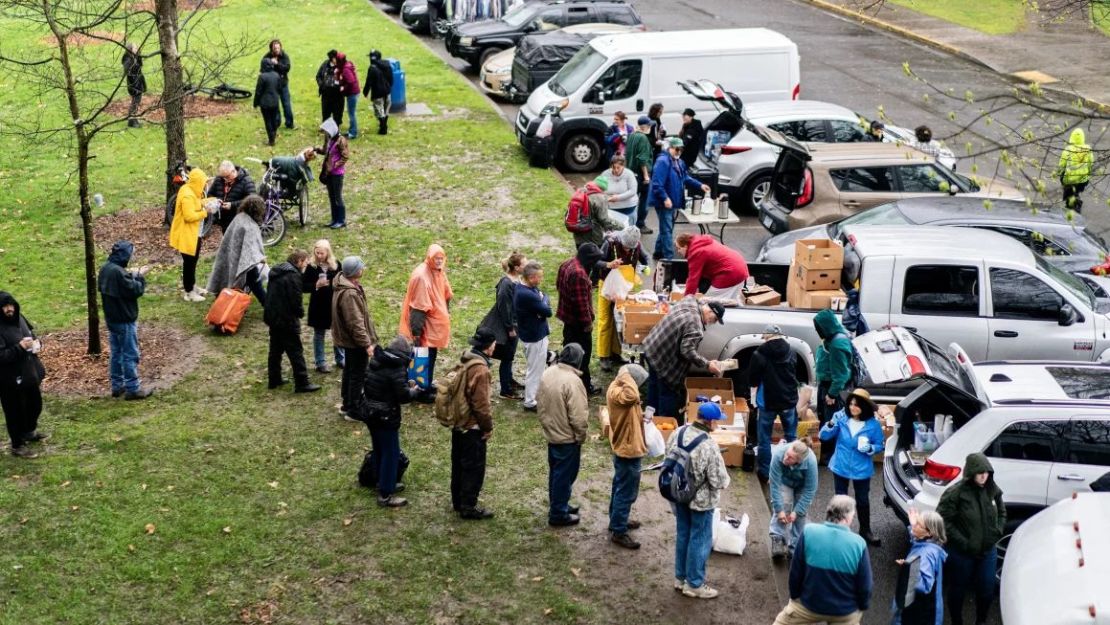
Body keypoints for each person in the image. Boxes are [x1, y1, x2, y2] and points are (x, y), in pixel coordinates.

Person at [773, 495, 872, 625]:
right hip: (844, 612)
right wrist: (861, 606)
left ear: (828, 512)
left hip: (809, 605)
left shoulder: (809, 532)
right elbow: (865, 586)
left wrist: (795, 597)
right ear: (848, 518)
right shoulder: (859, 544)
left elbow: (796, 571)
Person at [668, 402, 731, 599]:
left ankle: (680, 578)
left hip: (679, 493)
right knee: (700, 538)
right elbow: (718, 480)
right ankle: (694, 583)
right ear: (710, 421)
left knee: (683, 534)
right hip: (701, 501)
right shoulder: (709, 445)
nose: (718, 425)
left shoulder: (677, 432)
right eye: (717, 421)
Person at [936, 453, 1005, 625]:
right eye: (980, 472)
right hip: (962, 553)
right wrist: (963, 542)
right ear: (971, 472)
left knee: (987, 590)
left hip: (988, 551)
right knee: (957, 590)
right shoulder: (955, 493)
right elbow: (943, 520)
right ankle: (956, 621)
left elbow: (1002, 512)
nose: (984, 476)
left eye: (987, 472)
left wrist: (998, 530)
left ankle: (981, 621)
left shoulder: (992, 489)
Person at [358, 335, 421, 508]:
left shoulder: (376, 361)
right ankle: (386, 494)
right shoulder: (397, 368)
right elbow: (403, 396)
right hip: (385, 417)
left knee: (379, 449)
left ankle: (381, 481)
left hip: (370, 413)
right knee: (391, 454)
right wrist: (414, 390)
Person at [641, 297, 724, 424]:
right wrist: (707, 364)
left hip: (651, 348)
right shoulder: (695, 326)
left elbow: (694, 296)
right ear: (709, 312)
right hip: (664, 362)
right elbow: (687, 351)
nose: (711, 323)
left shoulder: (689, 301)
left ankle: (649, 420)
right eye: (714, 320)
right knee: (667, 394)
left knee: (654, 387)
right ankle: (663, 427)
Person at [819, 388, 885, 546]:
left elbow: (879, 444)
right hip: (840, 464)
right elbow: (823, 436)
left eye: (857, 405)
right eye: (851, 404)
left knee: (862, 500)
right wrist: (832, 422)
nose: (852, 408)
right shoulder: (841, 419)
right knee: (840, 499)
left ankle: (865, 530)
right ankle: (837, 529)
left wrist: (871, 448)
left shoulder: (873, 425)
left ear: (865, 407)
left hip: (861, 468)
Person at [537, 344, 589, 527]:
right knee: (564, 475)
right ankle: (558, 513)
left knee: (556, 472)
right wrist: (580, 436)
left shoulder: (549, 372)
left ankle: (559, 504)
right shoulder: (573, 381)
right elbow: (579, 416)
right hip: (567, 437)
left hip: (551, 431)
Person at [98, 241, 152, 400]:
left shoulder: (106, 269)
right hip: (125, 320)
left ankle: (117, 385)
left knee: (116, 353)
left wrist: (131, 273)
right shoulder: (118, 273)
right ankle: (133, 388)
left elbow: (121, 282)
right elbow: (135, 289)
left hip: (111, 319)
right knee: (130, 354)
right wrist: (140, 276)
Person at [452, 328, 497, 520]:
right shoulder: (481, 370)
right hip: (472, 427)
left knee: (458, 464)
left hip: (458, 422)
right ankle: (468, 506)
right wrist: (487, 428)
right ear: (488, 347)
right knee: (473, 467)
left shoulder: (466, 359)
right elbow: (481, 405)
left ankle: (457, 500)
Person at [263, 250, 320, 393]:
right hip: (286, 319)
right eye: (305, 262)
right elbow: (295, 299)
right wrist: (300, 313)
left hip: (273, 317)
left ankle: (274, 379)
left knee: (275, 349)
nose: (306, 265)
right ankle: (302, 382)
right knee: (295, 350)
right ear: (299, 261)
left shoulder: (278, 270)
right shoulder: (293, 276)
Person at [747, 324, 799, 481]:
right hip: (788, 401)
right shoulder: (792, 351)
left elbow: (753, 380)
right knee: (791, 436)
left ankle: (765, 473)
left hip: (767, 402)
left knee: (764, 439)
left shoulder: (759, 353)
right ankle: (793, 471)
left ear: (767, 337)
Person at [606, 363, 648, 549]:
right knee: (626, 490)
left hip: (626, 446)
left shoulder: (619, 389)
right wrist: (626, 374)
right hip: (628, 449)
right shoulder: (621, 391)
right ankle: (619, 531)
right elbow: (632, 395)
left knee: (620, 486)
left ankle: (617, 520)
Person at [0, 292, 48, 458]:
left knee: (35, 404)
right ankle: (17, 444)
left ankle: (28, 431)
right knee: (14, 411)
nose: (9, 309)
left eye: (11, 305)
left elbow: (32, 335)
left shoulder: (20, 318)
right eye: (5, 306)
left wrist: (36, 344)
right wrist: (19, 347)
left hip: (28, 372)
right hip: (8, 379)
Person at [400, 244, 453, 387]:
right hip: (424, 328)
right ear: (430, 257)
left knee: (429, 356)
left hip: (433, 326)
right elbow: (418, 309)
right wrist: (416, 334)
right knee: (422, 357)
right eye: (436, 258)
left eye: (441, 258)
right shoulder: (422, 277)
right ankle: (421, 389)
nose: (439, 261)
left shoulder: (438, 271)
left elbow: (446, 294)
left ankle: (425, 384)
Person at [596, 226, 649, 372]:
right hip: (607, 285)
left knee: (620, 319)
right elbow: (596, 262)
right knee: (605, 319)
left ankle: (615, 353)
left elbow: (646, 258)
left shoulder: (636, 245)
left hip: (624, 286)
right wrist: (608, 264)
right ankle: (604, 356)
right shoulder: (610, 243)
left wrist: (646, 267)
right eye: (625, 247)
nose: (627, 250)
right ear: (621, 240)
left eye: (630, 248)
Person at [650, 137, 711, 260]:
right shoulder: (663, 161)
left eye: (681, 149)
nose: (679, 152)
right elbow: (657, 184)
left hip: (672, 201)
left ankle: (658, 252)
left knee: (666, 227)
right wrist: (665, 198)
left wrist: (700, 185)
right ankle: (669, 258)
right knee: (667, 229)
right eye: (677, 149)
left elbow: (686, 178)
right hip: (664, 202)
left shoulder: (679, 162)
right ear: (670, 148)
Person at [556, 243, 605, 395]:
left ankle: (564, 378)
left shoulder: (567, 264)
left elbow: (558, 284)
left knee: (569, 348)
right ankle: (584, 385)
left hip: (567, 317)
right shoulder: (580, 275)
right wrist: (588, 323)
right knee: (582, 355)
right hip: (578, 323)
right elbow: (581, 303)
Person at [332, 256, 378, 417]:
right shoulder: (350, 294)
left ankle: (347, 403)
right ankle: (354, 409)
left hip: (349, 341)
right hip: (355, 342)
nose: (363, 269)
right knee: (357, 375)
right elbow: (355, 323)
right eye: (361, 267)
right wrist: (367, 344)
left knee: (350, 371)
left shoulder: (345, 284)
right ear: (355, 271)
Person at [478, 252, 525, 399]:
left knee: (510, 355)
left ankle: (509, 380)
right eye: (524, 264)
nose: (526, 266)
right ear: (517, 268)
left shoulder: (515, 280)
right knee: (507, 355)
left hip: (515, 323)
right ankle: (506, 389)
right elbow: (504, 307)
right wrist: (510, 328)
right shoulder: (506, 284)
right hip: (506, 326)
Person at [206, 194, 267, 306]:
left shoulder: (240, 217)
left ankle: (227, 297)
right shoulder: (249, 226)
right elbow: (250, 250)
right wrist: (258, 258)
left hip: (232, 255)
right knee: (254, 280)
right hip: (245, 260)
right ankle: (267, 303)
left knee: (251, 280)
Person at [169, 166, 216, 303]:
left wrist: (210, 201)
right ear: (197, 182)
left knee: (193, 261)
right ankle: (189, 292)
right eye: (203, 182)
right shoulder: (187, 194)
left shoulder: (192, 191)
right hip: (187, 235)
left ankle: (192, 286)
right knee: (189, 263)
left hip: (195, 234)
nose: (205, 185)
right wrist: (206, 212)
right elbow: (189, 216)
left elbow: (197, 203)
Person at [891, 509, 947, 625]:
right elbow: (918, 543)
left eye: (918, 524)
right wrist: (912, 525)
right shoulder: (931, 544)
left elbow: (925, 585)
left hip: (918, 613)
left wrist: (908, 566)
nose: (914, 526)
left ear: (929, 533)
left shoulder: (926, 555)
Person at [814, 309, 853, 462]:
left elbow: (841, 374)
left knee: (831, 421)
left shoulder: (837, 344)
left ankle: (829, 454)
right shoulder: (833, 337)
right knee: (826, 418)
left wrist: (831, 394)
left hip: (831, 388)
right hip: (826, 385)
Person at [768, 440, 818, 560]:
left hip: (802, 486)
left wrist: (797, 511)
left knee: (801, 514)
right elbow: (774, 485)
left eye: (790, 458)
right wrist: (779, 510)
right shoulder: (779, 454)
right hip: (785, 482)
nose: (785, 458)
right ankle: (778, 539)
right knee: (784, 505)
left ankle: (795, 547)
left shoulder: (810, 462)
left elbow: (810, 490)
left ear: (799, 461)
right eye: (787, 454)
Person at [514, 261, 551, 412]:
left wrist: (543, 300)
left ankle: (535, 395)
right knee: (535, 369)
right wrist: (543, 300)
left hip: (532, 334)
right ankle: (530, 401)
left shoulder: (524, 288)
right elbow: (547, 311)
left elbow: (544, 299)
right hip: (535, 337)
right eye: (539, 277)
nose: (540, 280)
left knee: (536, 368)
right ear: (531, 277)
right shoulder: (527, 294)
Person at [302, 239, 344, 373]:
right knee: (319, 334)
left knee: (337, 332)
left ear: (328, 252)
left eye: (322, 253)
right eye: (317, 252)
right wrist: (316, 285)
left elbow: (343, 281)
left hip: (334, 303)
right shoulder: (311, 266)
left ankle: (340, 358)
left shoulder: (336, 265)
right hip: (318, 305)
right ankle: (320, 362)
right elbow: (303, 286)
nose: (319, 255)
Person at [675, 233, 749, 299]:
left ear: (685, 246)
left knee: (709, 305)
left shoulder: (696, 252)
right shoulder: (700, 242)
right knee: (731, 302)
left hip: (731, 273)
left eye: (679, 248)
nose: (678, 251)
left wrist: (686, 300)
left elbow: (693, 279)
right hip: (740, 267)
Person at [572, 178, 624, 250]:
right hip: (592, 236)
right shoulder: (600, 198)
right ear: (603, 188)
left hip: (578, 233)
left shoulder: (582, 191)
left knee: (581, 257)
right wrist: (621, 226)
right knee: (593, 259)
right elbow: (604, 219)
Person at [207, 160, 257, 234]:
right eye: (223, 177)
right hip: (223, 221)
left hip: (239, 221)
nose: (225, 179)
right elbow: (210, 194)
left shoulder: (246, 181)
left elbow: (252, 201)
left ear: (233, 171)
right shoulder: (219, 179)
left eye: (227, 176)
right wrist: (217, 201)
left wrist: (232, 205)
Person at [316, 118, 350, 229]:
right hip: (328, 172)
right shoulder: (329, 139)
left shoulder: (341, 140)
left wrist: (335, 165)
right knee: (331, 197)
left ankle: (341, 220)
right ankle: (334, 219)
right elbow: (326, 150)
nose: (325, 133)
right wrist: (316, 149)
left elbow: (345, 156)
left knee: (337, 197)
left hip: (337, 174)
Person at [627, 116, 655, 233]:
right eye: (650, 126)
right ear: (646, 127)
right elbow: (642, 159)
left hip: (630, 173)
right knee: (644, 200)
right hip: (640, 174)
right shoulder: (643, 138)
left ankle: (629, 224)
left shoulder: (632, 135)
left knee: (631, 200)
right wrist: (646, 176)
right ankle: (640, 224)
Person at [1058, 127, 1092, 212]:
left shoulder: (1067, 150)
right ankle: (1076, 201)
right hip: (1083, 180)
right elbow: (1090, 165)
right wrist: (1087, 176)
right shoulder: (1088, 150)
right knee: (1076, 191)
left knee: (1068, 193)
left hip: (1069, 180)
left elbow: (1061, 165)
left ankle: (1072, 207)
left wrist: (1060, 175)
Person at [599, 155, 639, 227]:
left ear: (623, 166)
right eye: (613, 167)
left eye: (618, 168)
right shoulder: (605, 174)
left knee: (628, 233)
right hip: (611, 209)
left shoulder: (629, 174)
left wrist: (618, 198)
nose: (616, 170)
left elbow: (633, 191)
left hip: (628, 209)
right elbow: (598, 187)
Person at [263, 39, 293, 130]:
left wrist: (277, 64)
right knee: (275, 105)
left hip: (283, 84)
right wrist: (270, 63)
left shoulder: (284, 56)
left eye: (278, 48)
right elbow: (263, 68)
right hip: (272, 86)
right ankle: (276, 122)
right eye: (275, 48)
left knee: (286, 104)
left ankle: (289, 123)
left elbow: (286, 68)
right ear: (271, 49)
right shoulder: (267, 57)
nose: (277, 49)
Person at [362, 50, 394, 135]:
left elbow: (369, 81)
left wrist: (365, 92)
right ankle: (383, 124)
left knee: (379, 110)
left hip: (378, 93)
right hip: (387, 91)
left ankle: (383, 128)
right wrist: (389, 86)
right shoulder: (387, 64)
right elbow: (391, 78)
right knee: (386, 110)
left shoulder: (372, 68)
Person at [254, 57, 283, 146]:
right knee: (274, 119)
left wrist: (255, 103)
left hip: (265, 103)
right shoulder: (276, 75)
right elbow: (280, 88)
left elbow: (258, 91)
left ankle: (271, 139)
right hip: (275, 101)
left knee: (268, 121)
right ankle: (273, 134)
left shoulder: (262, 77)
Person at [335, 52, 360, 139]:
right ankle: (351, 130)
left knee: (351, 113)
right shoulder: (346, 65)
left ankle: (353, 133)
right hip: (353, 93)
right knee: (351, 112)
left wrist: (343, 88)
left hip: (352, 94)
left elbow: (351, 81)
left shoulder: (346, 69)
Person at [315, 50, 344, 124]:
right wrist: (322, 85)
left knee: (337, 114)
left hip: (338, 95)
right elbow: (318, 76)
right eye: (335, 58)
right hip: (326, 94)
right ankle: (326, 128)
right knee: (326, 113)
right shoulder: (325, 64)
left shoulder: (341, 66)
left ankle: (336, 129)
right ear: (331, 58)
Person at [122, 42, 146, 128]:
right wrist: (134, 85)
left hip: (138, 82)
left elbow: (140, 67)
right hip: (133, 84)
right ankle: (131, 121)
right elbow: (129, 72)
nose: (137, 49)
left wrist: (138, 56)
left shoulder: (135, 57)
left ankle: (133, 119)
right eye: (135, 48)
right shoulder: (127, 59)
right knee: (135, 102)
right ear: (130, 49)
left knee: (136, 102)